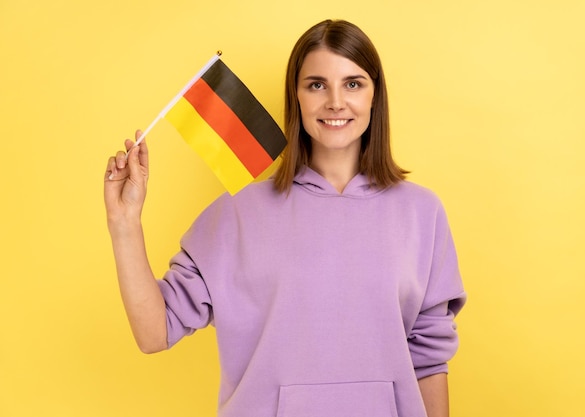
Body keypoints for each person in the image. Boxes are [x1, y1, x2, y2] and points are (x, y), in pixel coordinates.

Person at [104, 19, 466, 417]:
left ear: (375, 96)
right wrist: (125, 223)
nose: (335, 101)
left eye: (353, 83)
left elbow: (429, 360)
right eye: (316, 84)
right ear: (296, 97)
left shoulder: (421, 213)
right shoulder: (238, 214)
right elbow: (154, 331)